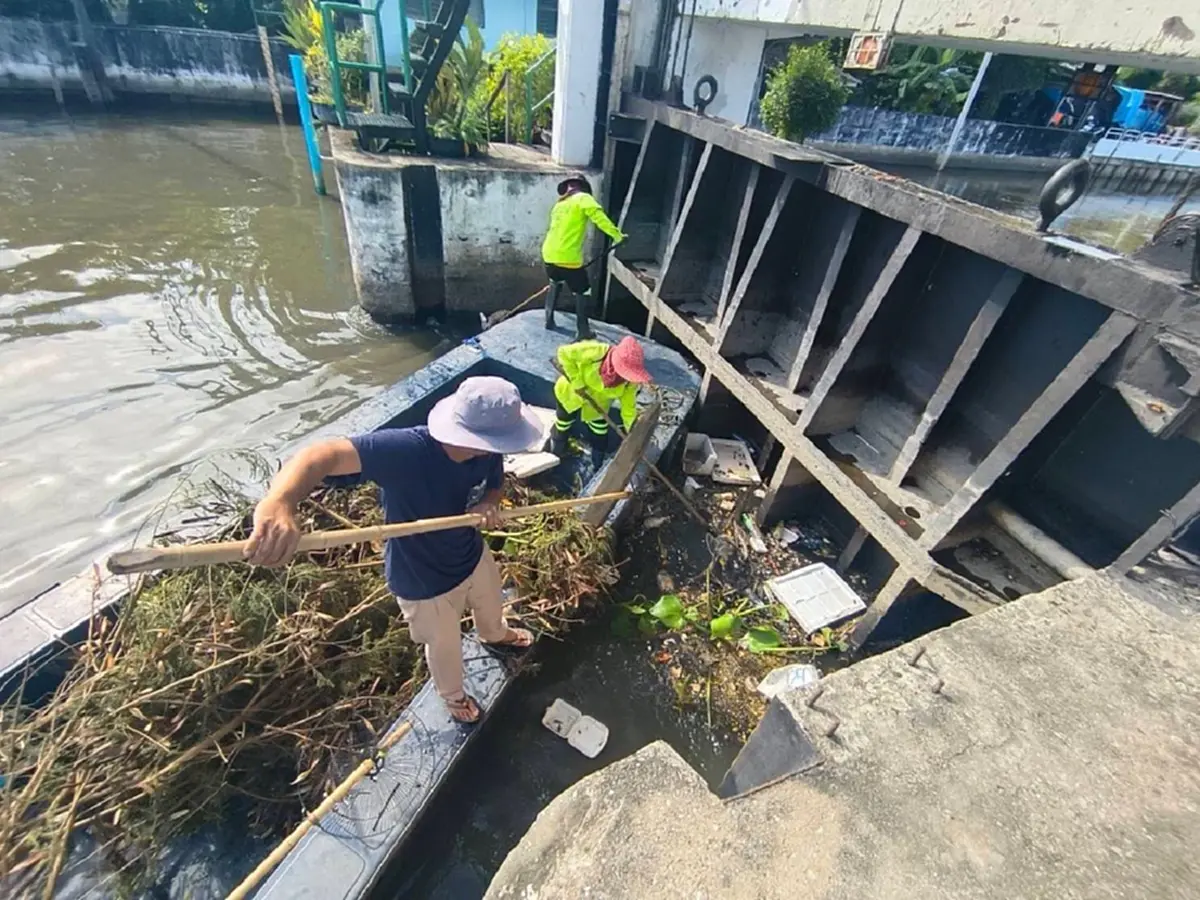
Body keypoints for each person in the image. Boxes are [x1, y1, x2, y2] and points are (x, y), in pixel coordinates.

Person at [244, 376, 545, 724]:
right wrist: (280, 502)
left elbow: (495, 483)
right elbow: (319, 456)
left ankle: (495, 634)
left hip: (470, 552)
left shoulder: (489, 453)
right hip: (424, 579)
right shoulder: (406, 451)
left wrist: (490, 503)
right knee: (444, 647)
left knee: (491, 601)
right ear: (476, 437)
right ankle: (453, 696)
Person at [541, 174, 624, 340]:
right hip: (568, 257)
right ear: (583, 187)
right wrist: (618, 236)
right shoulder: (583, 198)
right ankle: (583, 331)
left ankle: (548, 320)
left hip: (548, 254)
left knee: (555, 283)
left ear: (567, 187)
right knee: (583, 291)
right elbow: (599, 218)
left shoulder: (559, 205)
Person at [551, 335, 653, 468]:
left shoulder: (629, 384)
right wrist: (577, 382)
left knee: (600, 434)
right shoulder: (597, 351)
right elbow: (563, 353)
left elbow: (628, 409)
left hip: (597, 407)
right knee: (563, 424)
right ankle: (556, 454)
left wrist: (631, 432)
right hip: (570, 396)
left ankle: (597, 465)